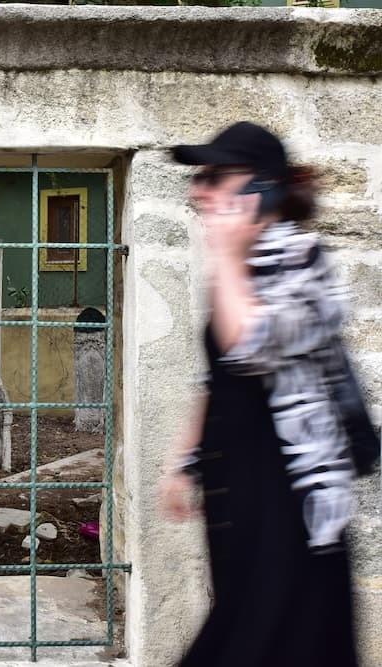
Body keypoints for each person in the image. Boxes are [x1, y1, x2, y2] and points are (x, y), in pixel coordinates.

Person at [160, 121, 359, 666]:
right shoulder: (243, 260)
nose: (199, 189)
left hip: (290, 504)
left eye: (216, 176)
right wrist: (186, 461)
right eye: (198, 176)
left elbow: (252, 346)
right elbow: (218, 376)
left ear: (263, 188)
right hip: (241, 496)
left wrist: (223, 256)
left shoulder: (303, 260)